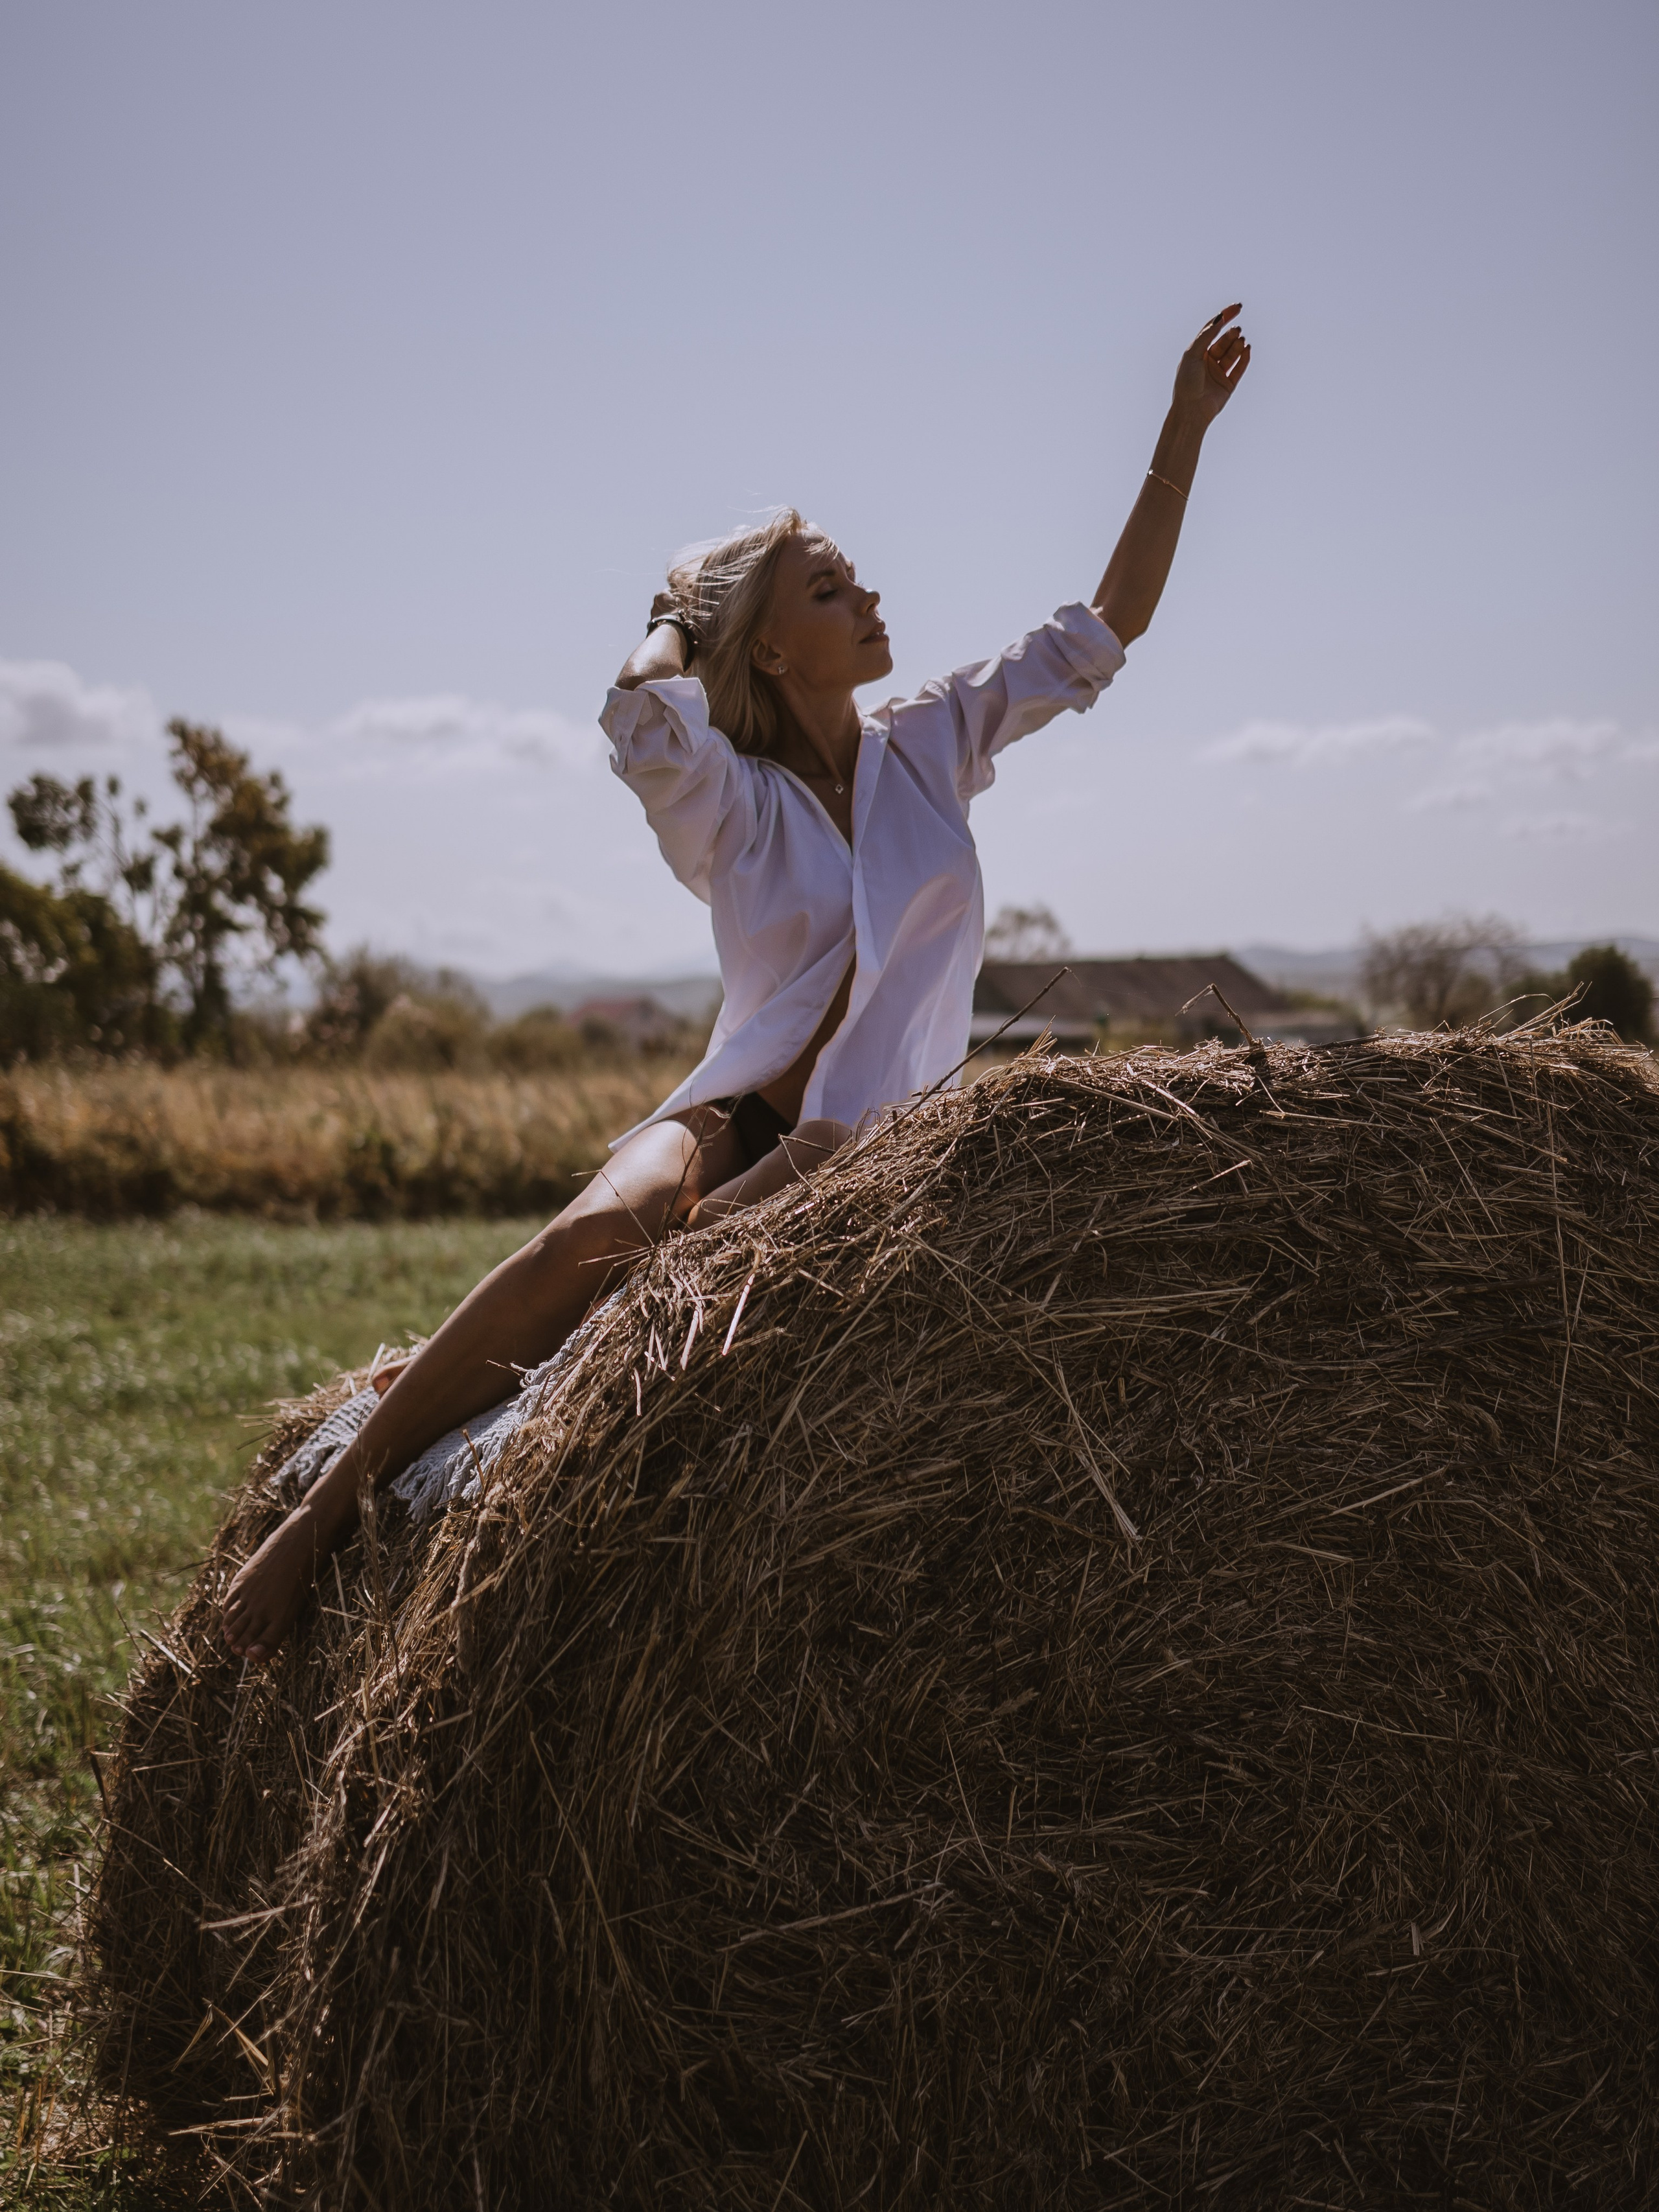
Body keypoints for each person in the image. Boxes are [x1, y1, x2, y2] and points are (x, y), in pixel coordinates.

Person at [221, 304, 1251, 1660]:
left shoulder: (932, 745)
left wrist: (1179, 425)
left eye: (852, 577)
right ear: (767, 650)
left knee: (801, 1162)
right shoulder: (730, 805)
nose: (870, 597)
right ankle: (327, 1515)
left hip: (868, 1147)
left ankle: (566, 1382)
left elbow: (1103, 625)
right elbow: (641, 713)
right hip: (731, 1115)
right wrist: (672, 614)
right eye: (828, 590)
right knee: (586, 1235)